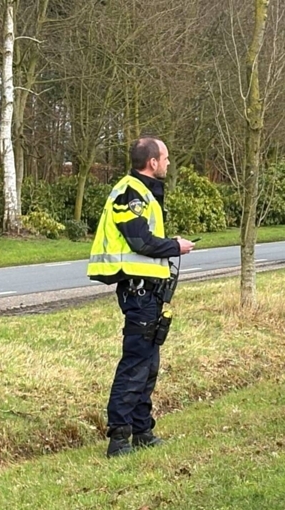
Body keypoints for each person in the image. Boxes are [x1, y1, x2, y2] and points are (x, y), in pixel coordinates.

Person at [88, 136, 195, 457]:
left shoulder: (145, 192)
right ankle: (119, 438)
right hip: (138, 292)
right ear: (152, 162)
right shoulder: (130, 193)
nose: (169, 163)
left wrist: (170, 243)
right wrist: (175, 246)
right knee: (135, 364)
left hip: (150, 292)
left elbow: (145, 240)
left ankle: (142, 431)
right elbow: (140, 241)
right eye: (166, 158)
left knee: (148, 364)